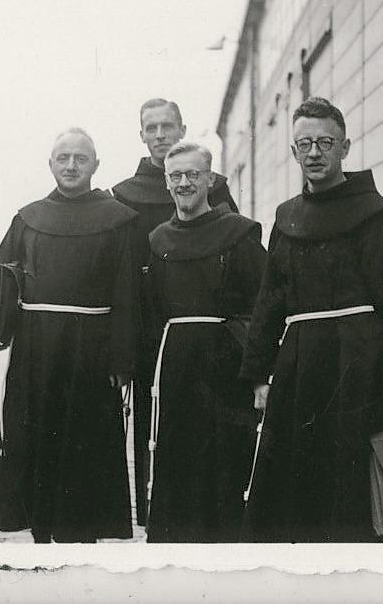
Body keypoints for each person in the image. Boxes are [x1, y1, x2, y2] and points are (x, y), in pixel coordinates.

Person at [239, 97, 383, 543]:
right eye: (304, 143)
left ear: (345, 147)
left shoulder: (378, 216)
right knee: (294, 494)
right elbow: (270, 301)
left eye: (325, 142)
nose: (314, 152)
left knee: (355, 497)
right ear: (293, 151)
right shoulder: (287, 218)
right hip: (299, 371)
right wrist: (258, 376)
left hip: (360, 372)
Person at [0, 128, 138, 543]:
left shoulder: (119, 219)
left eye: (80, 158)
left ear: (95, 166)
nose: (71, 166)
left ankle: (80, 542)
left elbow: (128, 293)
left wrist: (123, 361)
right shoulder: (28, 217)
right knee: (34, 443)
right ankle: (40, 538)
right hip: (35, 350)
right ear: (50, 164)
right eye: (63, 158)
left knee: (83, 450)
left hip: (92, 352)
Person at [111, 97, 238, 525]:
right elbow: (124, 278)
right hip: (154, 334)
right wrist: (125, 353)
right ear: (141, 134)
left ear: (182, 129)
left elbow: (232, 247)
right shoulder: (124, 196)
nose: (161, 135)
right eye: (152, 128)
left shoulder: (213, 185)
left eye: (168, 127)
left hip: (207, 334)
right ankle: (158, 518)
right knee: (156, 431)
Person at [143, 141, 266, 542]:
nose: (184, 183)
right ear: (166, 183)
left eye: (193, 175)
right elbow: (152, 311)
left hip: (226, 368)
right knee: (176, 467)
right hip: (177, 368)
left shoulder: (238, 234)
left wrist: (259, 373)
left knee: (225, 467)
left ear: (210, 180)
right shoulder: (158, 240)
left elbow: (262, 306)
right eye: (175, 176)